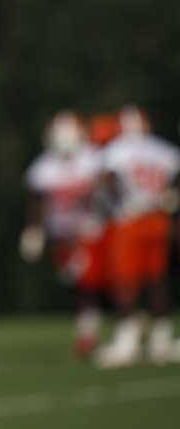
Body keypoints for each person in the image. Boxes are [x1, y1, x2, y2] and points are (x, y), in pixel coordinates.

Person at [94, 105, 180, 368]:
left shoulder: (117, 150)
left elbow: (108, 181)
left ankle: (127, 342)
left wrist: (120, 204)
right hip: (158, 219)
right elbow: (173, 182)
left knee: (125, 281)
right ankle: (161, 341)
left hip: (130, 220)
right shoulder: (164, 150)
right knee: (157, 280)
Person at [20, 111, 109, 357]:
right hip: (61, 236)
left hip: (90, 232)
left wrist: (99, 216)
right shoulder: (44, 166)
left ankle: (93, 335)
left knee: (89, 284)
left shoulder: (92, 159)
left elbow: (106, 192)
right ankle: (90, 332)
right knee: (76, 285)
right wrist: (34, 229)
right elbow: (37, 199)